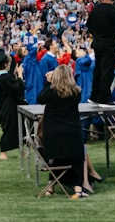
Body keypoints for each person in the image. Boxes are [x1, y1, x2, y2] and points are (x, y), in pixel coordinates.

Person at [37, 64, 88, 198]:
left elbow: (40, 99)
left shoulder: (51, 92)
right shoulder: (76, 92)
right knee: (77, 158)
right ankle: (78, 188)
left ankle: (51, 186)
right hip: (72, 133)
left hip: (53, 135)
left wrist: (48, 83)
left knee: (55, 158)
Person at [0, 52, 23, 159]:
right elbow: (17, 89)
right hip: (8, 107)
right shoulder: (5, 77)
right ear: (5, 65)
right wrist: (20, 76)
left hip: (5, 106)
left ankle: (22, 151)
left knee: (17, 128)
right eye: (8, 63)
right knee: (10, 129)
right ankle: (3, 152)